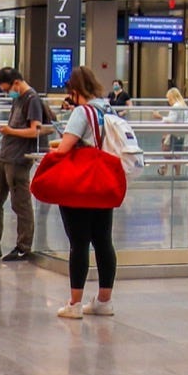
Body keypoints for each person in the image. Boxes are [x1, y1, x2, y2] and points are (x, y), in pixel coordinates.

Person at [49, 66, 119, 318]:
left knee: (78, 243)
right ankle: (104, 300)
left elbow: (65, 147)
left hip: (81, 184)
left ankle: (74, 303)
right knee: (103, 241)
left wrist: (55, 148)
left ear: (76, 91)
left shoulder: (82, 111)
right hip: (104, 181)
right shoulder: (108, 108)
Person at [0, 68, 48, 262]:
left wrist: (10, 131)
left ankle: (23, 246)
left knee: (20, 202)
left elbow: (35, 131)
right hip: (4, 155)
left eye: (8, 89)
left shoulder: (32, 100)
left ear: (16, 83)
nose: (8, 93)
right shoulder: (18, 99)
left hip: (18, 158)